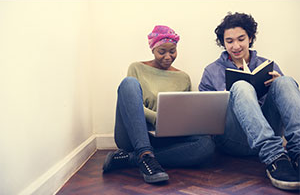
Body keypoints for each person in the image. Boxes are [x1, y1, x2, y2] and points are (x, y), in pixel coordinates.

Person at [199, 12, 300, 191]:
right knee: (240, 86)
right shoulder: (211, 71)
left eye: (241, 39)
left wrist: (277, 83)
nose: (236, 46)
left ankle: (297, 151)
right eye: (229, 41)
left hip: (270, 133)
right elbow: (204, 117)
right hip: (233, 140)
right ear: (223, 43)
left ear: (250, 38)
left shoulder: (268, 65)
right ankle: (275, 159)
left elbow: (287, 106)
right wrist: (224, 100)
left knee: (285, 81)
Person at [102, 25, 215, 184]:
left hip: (165, 136)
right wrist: (158, 118)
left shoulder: (183, 77)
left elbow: (184, 111)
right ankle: (144, 152)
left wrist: (195, 123)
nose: (168, 56)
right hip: (133, 135)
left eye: (172, 51)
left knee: (206, 146)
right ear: (153, 50)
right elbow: (132, 106)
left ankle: (133, 159)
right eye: (162, 52)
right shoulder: (137, 68)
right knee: (128, 83)